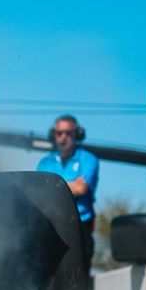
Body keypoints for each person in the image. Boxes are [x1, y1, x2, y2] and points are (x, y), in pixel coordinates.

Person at [36, 115, 99, 276]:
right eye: (59, 133)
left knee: (79, 277)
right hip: (53, 227)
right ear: (54, 135)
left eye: (68, 133)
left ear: (77, 134)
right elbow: (39, 192)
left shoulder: (88, 159)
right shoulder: (45, 162)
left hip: (80, 227)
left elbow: (82, 188)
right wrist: (71, 184)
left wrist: (53, 187)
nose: (63, 137)